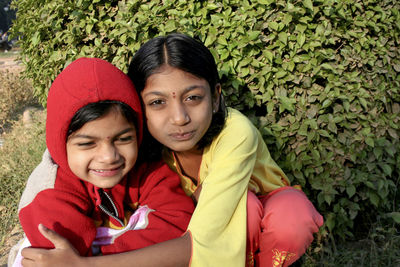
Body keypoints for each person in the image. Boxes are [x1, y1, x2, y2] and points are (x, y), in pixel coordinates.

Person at [20, 33, 323, 267]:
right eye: (157, 102)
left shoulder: (236, 132)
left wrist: (86, 265)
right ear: (139, 106)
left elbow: (200, 241)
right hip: (199, 229)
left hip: (256, 213)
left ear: (216, 97)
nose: (179, 118)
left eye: (193, 98)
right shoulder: (136, 145)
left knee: (266, 212)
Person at [11, 57, 194, 266]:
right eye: (87, 144)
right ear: (60, 143)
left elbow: (178, 222)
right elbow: (56, 258)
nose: (109, 157)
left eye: (124, 139)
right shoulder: (48, 193)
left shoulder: (145, 169)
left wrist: (94, 260)